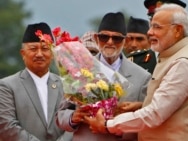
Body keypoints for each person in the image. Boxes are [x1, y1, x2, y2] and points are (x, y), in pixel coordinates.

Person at [84, 4, 188, 141]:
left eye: (156, 27)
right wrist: (141, 105)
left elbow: (155, 114)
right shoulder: (172, 57)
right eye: (151, 26)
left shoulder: (184, 62)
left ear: (177, 31)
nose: (150, 32)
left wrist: (107, 124)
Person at [56, 12, 151, 141]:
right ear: (96, 38)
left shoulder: (142, 76)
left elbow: (146, 119)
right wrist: (73, 118)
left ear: (125, 40)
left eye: (116, 38)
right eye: (104, 37)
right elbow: (61, 114)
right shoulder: (79, 70)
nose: (110, 42)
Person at [0, 22, 72, 141]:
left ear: (53, 53)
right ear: (23, 54)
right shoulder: (6, 86)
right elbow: (7, 127)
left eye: (45, 49)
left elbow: (74, 122)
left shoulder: (67, 86)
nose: (39, 54)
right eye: (33, 49)